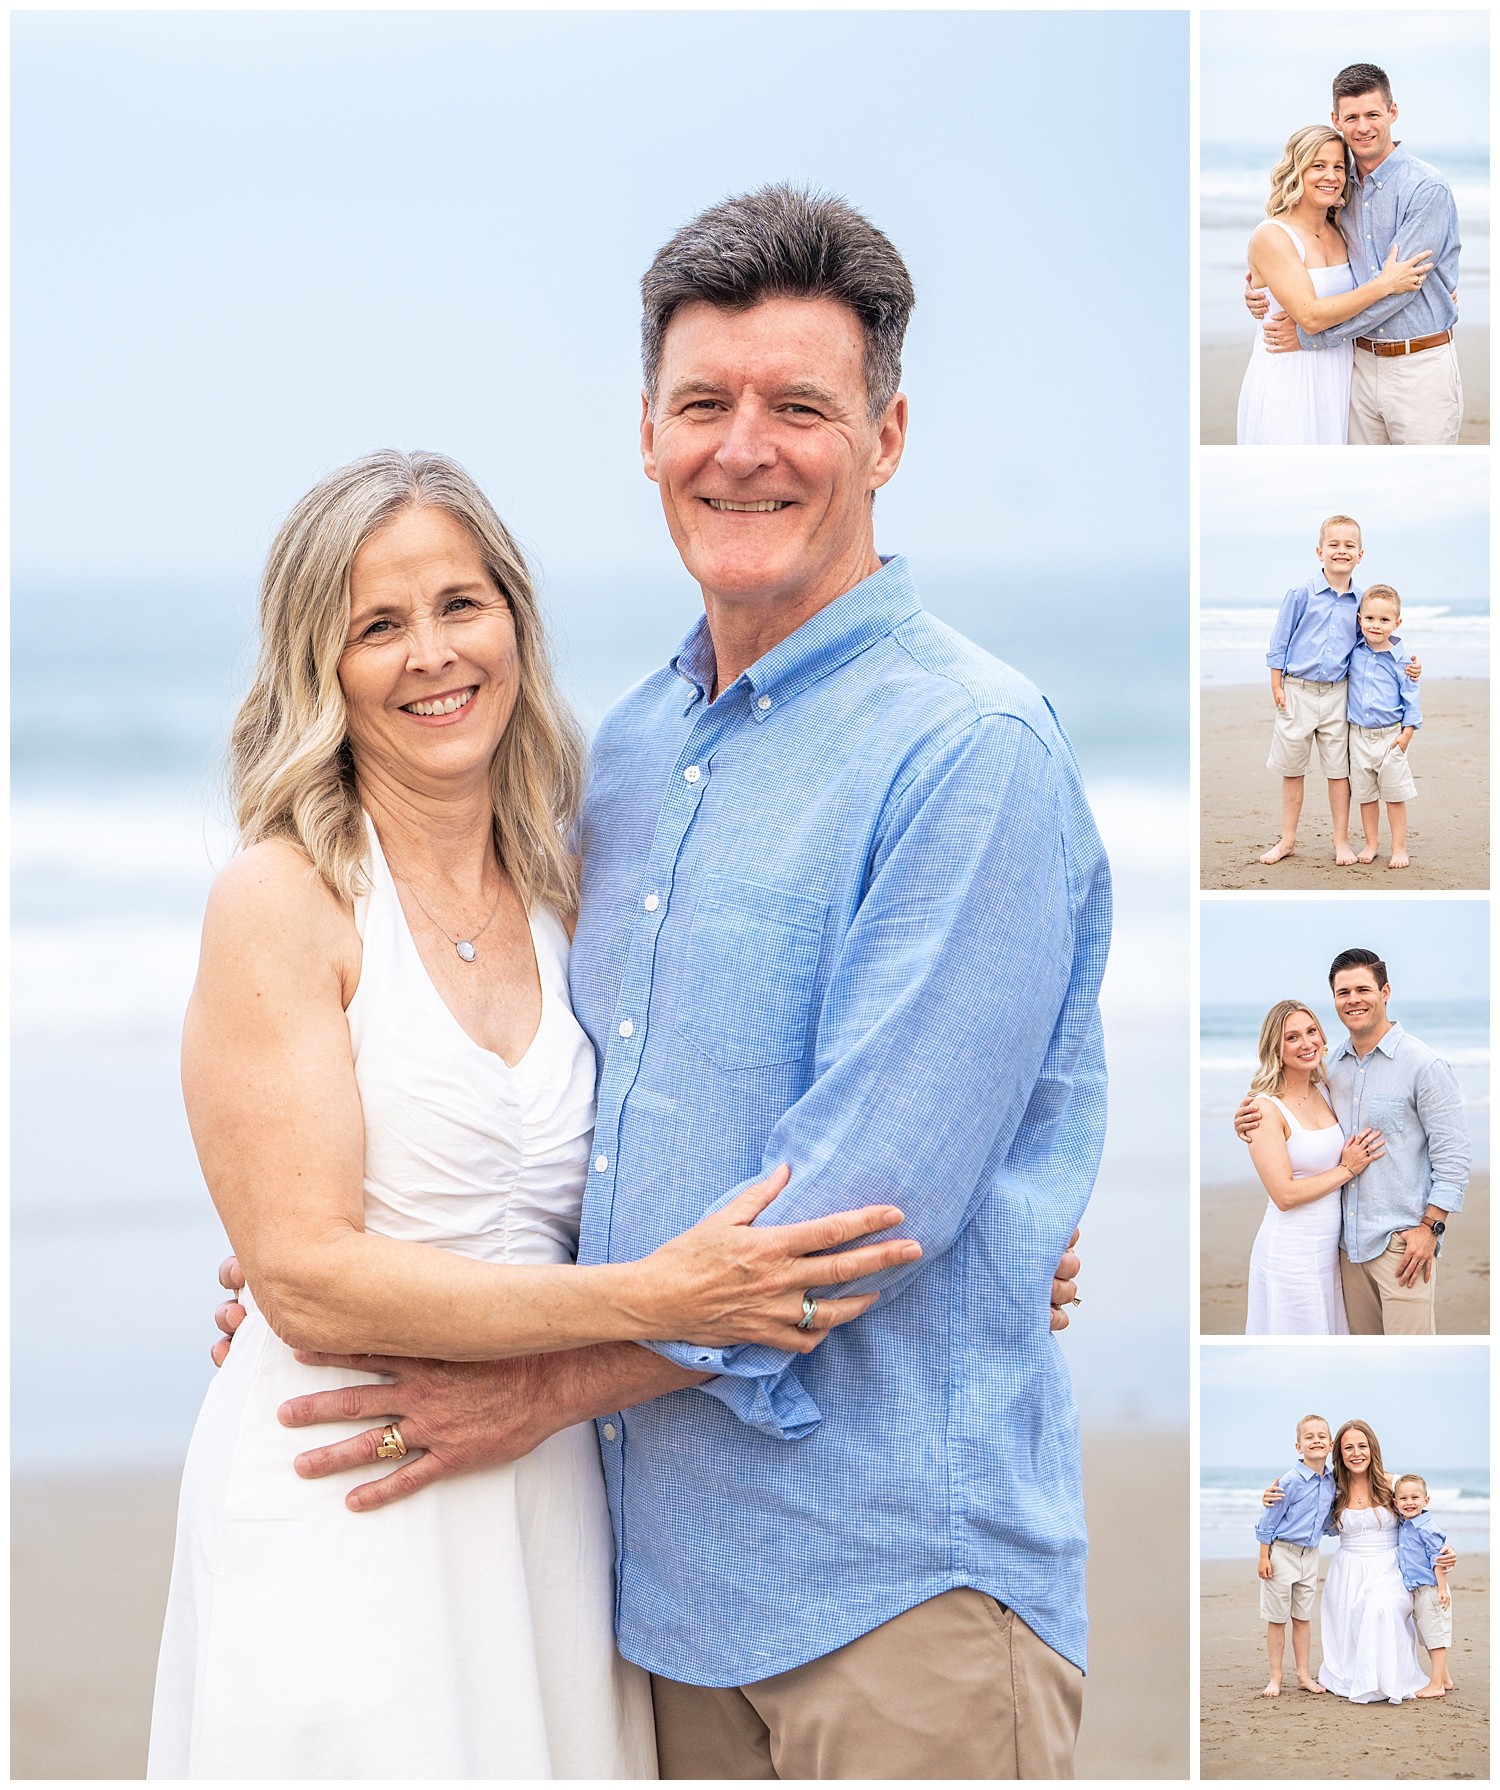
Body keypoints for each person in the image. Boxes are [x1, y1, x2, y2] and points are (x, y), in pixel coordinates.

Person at [211, 185, 1104, 1779]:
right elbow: (581, 1122)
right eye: (705, 403)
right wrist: (334, 1265)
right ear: (646, 434)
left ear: (889, 436)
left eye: (799, 407)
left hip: (890, 1592)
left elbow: (865, 1213)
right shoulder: (625, 759)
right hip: (651, 1599)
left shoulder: (968, 751)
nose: (743, 447)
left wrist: (538, 1382)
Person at [148, 450, 931, 1780]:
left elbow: (724, 1120)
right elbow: (310, 1282)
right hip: (350, 1479)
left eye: (460, 604)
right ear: (315, 668)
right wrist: (664, 1295)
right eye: (377, 627)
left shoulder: (582, 884)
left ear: (515, 616)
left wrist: (969, 1225)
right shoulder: (282, 900)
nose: (432, 655)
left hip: (558, 1501)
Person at [1234, 949, 1469, 1334]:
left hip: (1402, 1246)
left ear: (1386, 991)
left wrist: (1431, 1230)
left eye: (1363, 989)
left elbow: (1454, 1156)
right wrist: (1244, 1121)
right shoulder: (1332, 1072)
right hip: (1345, 1252)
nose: (1353, 1000)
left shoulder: (1423, 1065)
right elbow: (1283, 1120)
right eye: (1343, 993)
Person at [1246, 63, 1464, 446]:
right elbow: (1294, 253)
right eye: (1352, 117)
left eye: (1373, 114)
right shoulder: (1339, 194)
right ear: (1337, 120)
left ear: (1392, 113)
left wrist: (1312, 336)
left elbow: (1402, 289)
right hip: (1355, 365)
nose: (1363, 126)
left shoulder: (1426, 189)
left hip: (1417, 367)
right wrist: (1262, 290)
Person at [1236, 125, 1431, 444]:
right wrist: (1385, 285)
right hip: (1290, 373)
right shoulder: (1272, 235)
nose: (1331, 176)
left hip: (1341, 374)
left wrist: (1436, 293)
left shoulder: (1343, 229)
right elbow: (1310, 317)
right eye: (1318, 165)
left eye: (1339, 166)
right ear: (1296, 170)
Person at [1258, 514, 1420, 869]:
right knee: (1292, 768)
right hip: (1297, 690)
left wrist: (1409, 665)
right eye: (1334, 545)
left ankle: (1341, 840)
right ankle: (1287, 840)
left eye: (1349, 546)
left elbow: (1379, 641)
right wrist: (1276, 683)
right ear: (1320, 551)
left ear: (1360, 555)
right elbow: (1279, 641)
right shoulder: (1300, 594)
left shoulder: (1364, 603)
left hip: (1338, 696)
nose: (1341, 551)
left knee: (1338, 772)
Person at [1242, 1003, 1381, 1335]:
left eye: (1311, 1031)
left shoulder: (1328, 1091)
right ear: (1275, 1048)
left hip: (1330, 1255)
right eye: (1292, 1037)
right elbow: (1285, 1196)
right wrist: (1348, 1169)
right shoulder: (1264, 1109)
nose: (1306, 1044)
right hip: (1289, 1255)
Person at [1253, 1413, 1336, 1697]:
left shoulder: (1332, 1481)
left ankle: (1303, 1675)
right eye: (1309, 1437)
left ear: (1331, 1443)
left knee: (1302, 1617)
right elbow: (1268, 1522)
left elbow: (1329, 1521)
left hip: (1310, 1555)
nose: (1316, 1441)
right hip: (1282, 1554)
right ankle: (1276, 1677)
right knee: (1277, 1619)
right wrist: (1264, 1557)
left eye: (1321, 1436)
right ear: (1299, 1447)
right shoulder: (1290, 1481)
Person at [1346, 585, 1421, 869]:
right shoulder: (1354, 650)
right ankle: (1371, 843)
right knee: (1365, 795)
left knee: (1394, 795)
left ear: (1397, 623)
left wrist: (1408, 733)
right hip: (1358, 736)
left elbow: (1411, 697)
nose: (1376, 625)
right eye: (1370, 618)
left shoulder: (1404, 661)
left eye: (1384, 620)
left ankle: (1399, 848)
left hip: (1391, 736)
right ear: (1359, 619)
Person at [1394, 1473, 1453, 1697]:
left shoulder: (1426, 1528)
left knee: (1436, 1638)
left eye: (1415, 1498)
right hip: (1418, 1592)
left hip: (1431, 1590)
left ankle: (1436, 1685)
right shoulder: (1406, 1524)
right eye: (1404, 1499)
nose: (1409, 1503)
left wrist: (1443, 1589)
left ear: (1426, 1501)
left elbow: (1438, 1559)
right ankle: (1444, 1678)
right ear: (1396, 1503)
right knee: (1428, 1636)